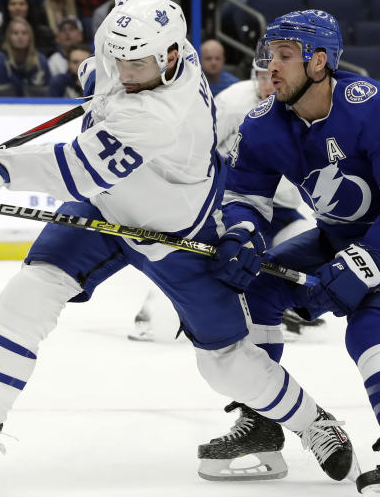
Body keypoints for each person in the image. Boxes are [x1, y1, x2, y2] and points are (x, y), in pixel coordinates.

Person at [0, 0, 357, 497]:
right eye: (119, 59)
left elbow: (75, 170)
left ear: (173, 56)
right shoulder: (132, 37)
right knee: (26, 295)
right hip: (107, 209)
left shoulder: (163, 115)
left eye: (138, 65)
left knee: (224, 364)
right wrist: (98, 72)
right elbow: (131, 14)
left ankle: (314, 422)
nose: (125, 73)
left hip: (178, 233)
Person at [208, 9, 380, 497]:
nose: (269, 68)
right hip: (340, 233)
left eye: (284, 57)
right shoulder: (262, 123)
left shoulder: (373, 107)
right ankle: (263, 420)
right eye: (268, 57)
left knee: (371, 324)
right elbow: (244, 196)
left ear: (319, 62)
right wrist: (240, 232)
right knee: (258, 288)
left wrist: (361, 264)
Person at [129, 60, 321, 344]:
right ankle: (151, 314)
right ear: (254, 77)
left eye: (274, 76)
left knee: (306, 243)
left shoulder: (301, 105)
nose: (269, 83)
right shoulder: (233, 103)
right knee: (193, 254)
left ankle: (278, 309)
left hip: (279, 207)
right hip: (232, 201)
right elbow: (201, 147)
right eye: (262, 76)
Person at [0, 16, 49, 95]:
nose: (20, 37)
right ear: (9, 37)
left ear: (30, 37)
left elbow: (48, 92)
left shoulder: (41, 61)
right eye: (15, 33)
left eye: (24, 33)